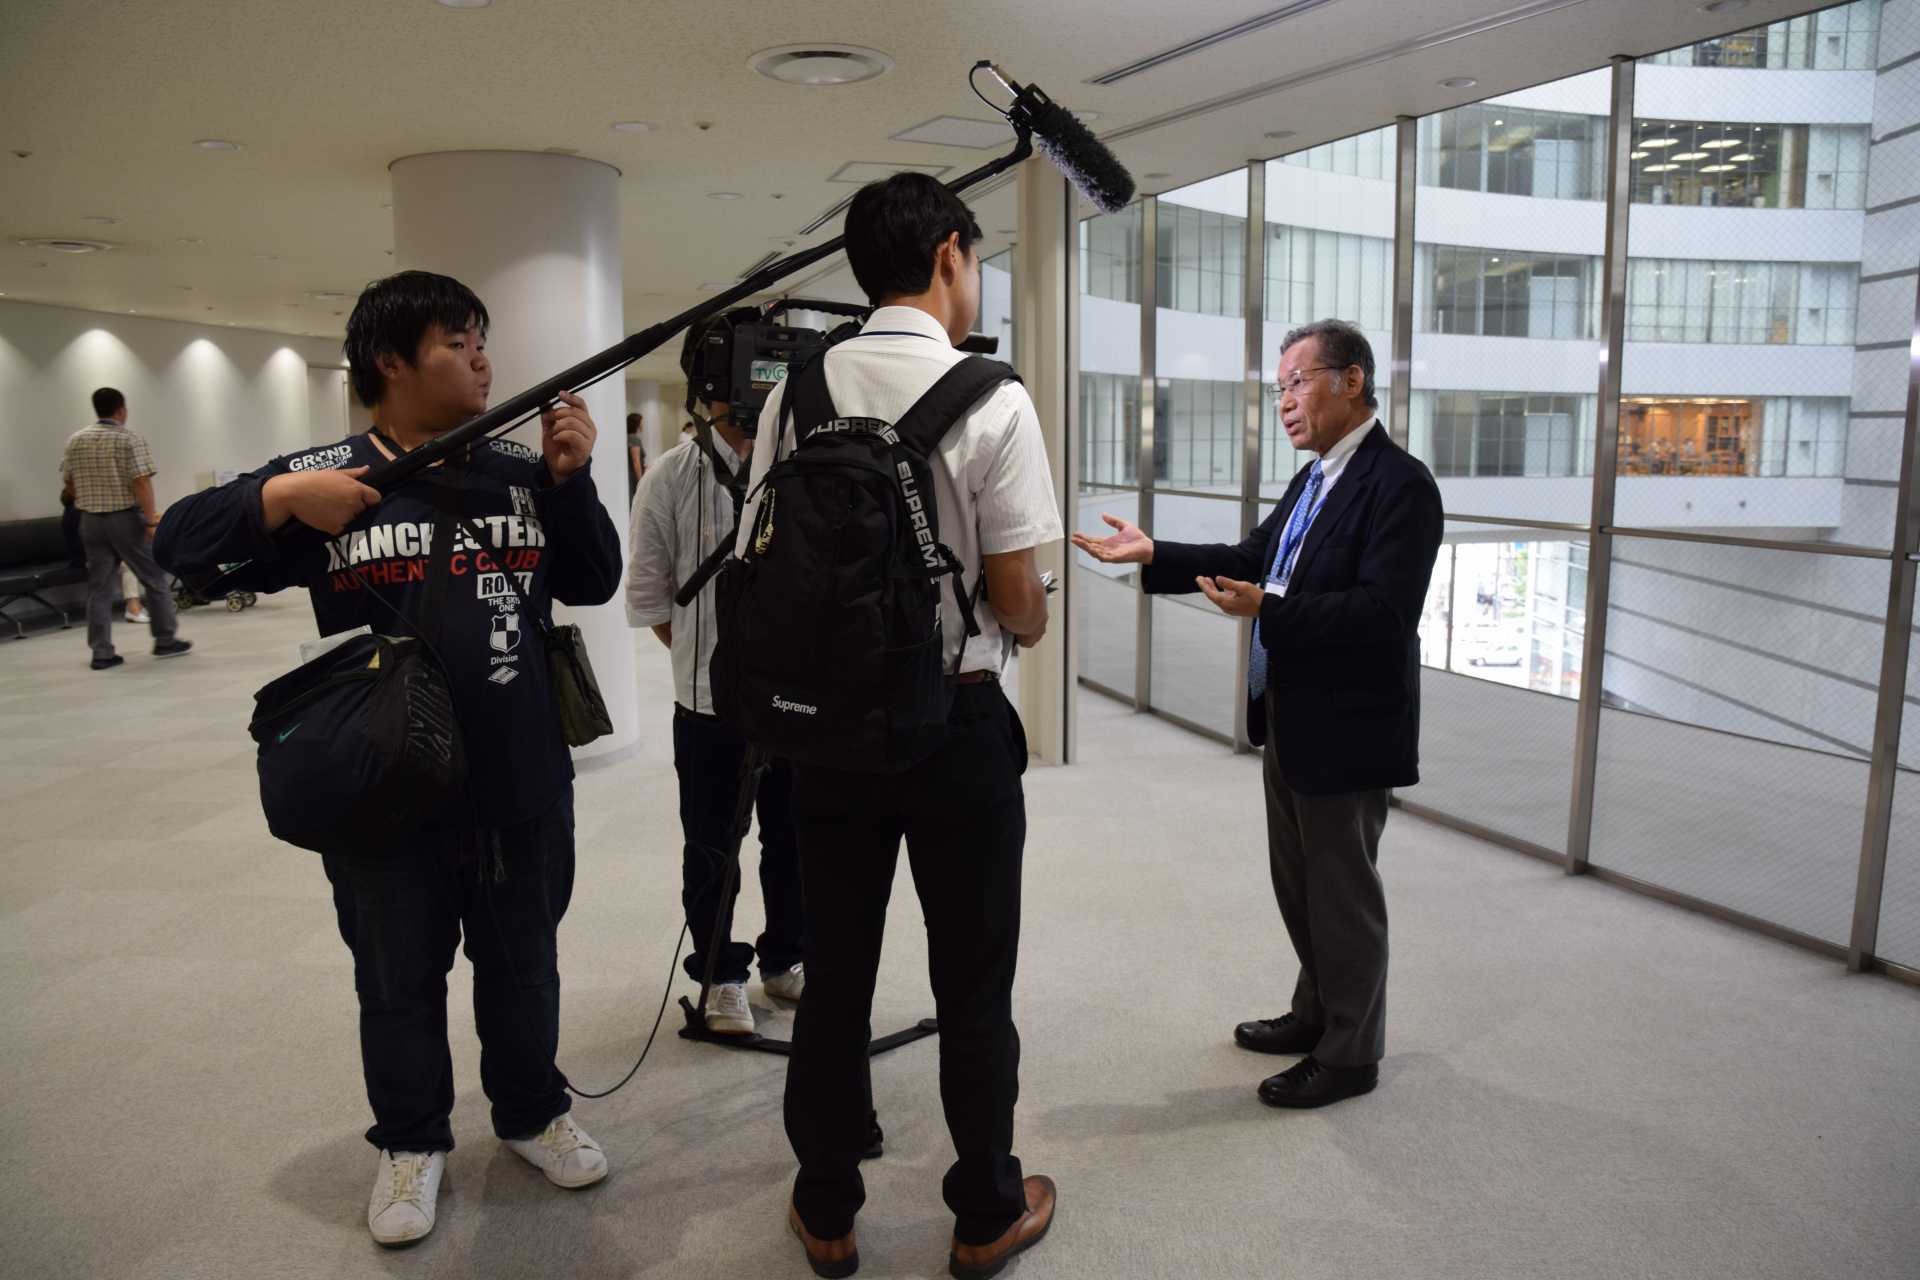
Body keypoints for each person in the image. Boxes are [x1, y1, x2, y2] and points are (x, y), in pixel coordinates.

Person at [155, 271, 623, 1245]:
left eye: (482, 338)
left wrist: (571, 484)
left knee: (525, 966)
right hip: (383, 785)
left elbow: (595, 578)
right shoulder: (331, 474)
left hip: (520, 774)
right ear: (392, 361)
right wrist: (283, 496)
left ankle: (532, 1109)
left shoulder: (513, 467)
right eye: (459, 341)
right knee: (397, 978)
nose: (483, 356)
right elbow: (178, 547)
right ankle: (411, 1139)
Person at [741, 172, 1060, 1280]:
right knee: (973, 977)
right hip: (957, 724)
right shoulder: (995, 396)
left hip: (825, 727)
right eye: (972, 263)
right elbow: (1017, 595)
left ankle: (827, 1203)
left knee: (837, 970)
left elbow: (763, 550)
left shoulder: (800, 390)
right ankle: (984, 1209)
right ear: (946, 258)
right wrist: (1034, 618)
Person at [1074, 319, 1443, 1110]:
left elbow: (1382, 616)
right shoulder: (1316, 478)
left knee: (1343, 894)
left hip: (1349, 726)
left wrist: (1269, 608)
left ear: (1352, 380)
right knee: (1302, 886)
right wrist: (1154, 554)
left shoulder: (1400, 484)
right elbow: (1252, 560)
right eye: (1279, 387)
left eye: (1298, 381)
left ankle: (1352, 1054)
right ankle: (1317, 1013)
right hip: (1292, 714)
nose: (1285, 402)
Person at [626, 395, 806, 1035]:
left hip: (794, 699)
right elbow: (651, 598)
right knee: (711, 847)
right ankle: (719, 976)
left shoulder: (805, 464)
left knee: (794, 838)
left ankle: (786, 957)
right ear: (701, 395)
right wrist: (722, 670)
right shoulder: (670, 475)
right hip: (706, 703)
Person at [59, 388, 190, 670]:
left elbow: (69, 483)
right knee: (154, 578)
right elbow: (141, 482)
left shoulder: (76, 440)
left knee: (99, 588)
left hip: (90, 521)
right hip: (125, 520)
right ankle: (165, 639)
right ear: (121, 409)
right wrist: (151, 520)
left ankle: (102, 652)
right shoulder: (129, 439)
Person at [626, 411, 647, 500]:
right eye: (642, 422)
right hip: (634, 478)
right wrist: (641, 481)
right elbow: (636, 461)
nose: (643, 425)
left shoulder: (628, 437)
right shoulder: (634, 439)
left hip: (632, 476)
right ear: (637, 424)